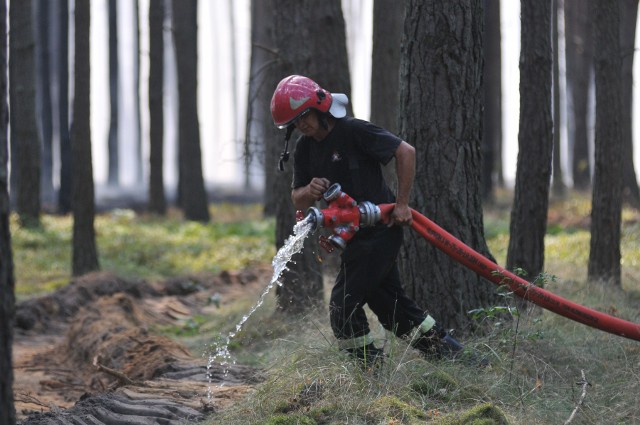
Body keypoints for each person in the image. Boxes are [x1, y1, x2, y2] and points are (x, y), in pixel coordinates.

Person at [270, 75, 466, 365]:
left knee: (342, 305)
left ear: (320, 106)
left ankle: (369, 372)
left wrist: (401, 205)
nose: (302, 125)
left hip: (379, 231)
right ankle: (455, 358)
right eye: (295, 123)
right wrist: (308, 190)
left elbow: (405, 152)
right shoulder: (304, 148)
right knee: (392, 308)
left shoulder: (353, 131)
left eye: (304, 117)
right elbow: (297, 197)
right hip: (352, 237)